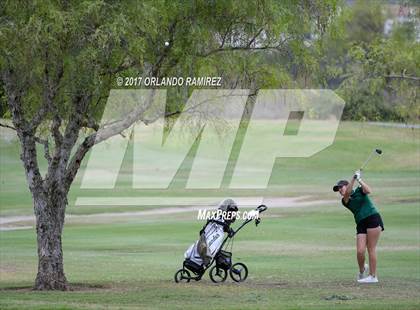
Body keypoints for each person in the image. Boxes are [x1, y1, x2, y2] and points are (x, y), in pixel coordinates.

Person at [333, 170, 384, 283]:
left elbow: (369, 190)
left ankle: (373, 276)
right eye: (338, 189)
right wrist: (353, 179)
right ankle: (362, 271)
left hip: (372, 218)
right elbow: (347, 194)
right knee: (360, 251)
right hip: (361, 223)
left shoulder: (359, 191)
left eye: (341, 187)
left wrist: (359, 180)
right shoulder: (344, 200)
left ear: (347, 186)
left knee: (371, 249)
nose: (340, 190)